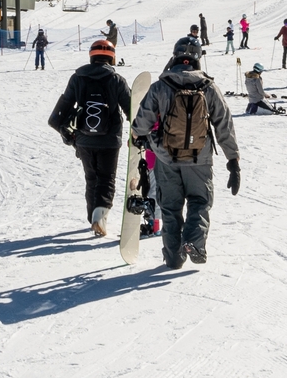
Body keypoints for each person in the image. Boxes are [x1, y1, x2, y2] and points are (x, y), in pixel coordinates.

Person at [134, 37, 241, 268]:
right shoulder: (208, 87)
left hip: (166, 158)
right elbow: (223, 123)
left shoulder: (160, 86)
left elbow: (143, 122)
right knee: (200, 202)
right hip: (199, 159)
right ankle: (194, 241)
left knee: (171, 207)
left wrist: (137, 136)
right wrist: (233, 160)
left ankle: (173, 257)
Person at [47, 39, 135, 236]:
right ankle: (100, 217)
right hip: (110, 140)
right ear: (111, 57)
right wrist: (138, 133)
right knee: (107, 177)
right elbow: (131, 109)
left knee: (91, 178)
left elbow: (58, 115)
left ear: (91, 56)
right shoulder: (116, 80)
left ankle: (93, 218)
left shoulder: (77, 78)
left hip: (84, 138)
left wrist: (70, 136)